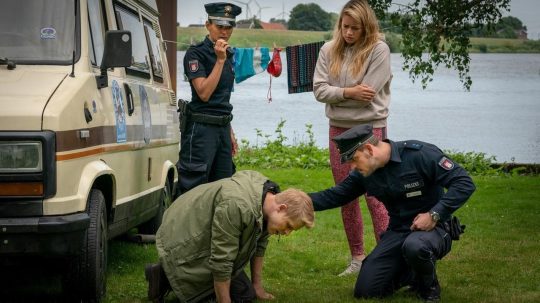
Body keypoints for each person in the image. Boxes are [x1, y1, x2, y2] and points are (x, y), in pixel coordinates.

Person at [309, 124, 476, 302]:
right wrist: (290, 201)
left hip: (434, 228)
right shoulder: (364, 174)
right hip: (398, 231)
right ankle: (412, 272)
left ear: (368, 150)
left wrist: (434, 214)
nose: (352, 167)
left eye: (354, 159)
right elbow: (334, 196)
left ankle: (429, 288)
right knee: (366, 290)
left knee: (416, 246)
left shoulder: (419, 155)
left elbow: (464, 183)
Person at [145, 170, 315, 303]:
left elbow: (260, 243)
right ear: (282, 208)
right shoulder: (238, 205)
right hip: (182, 236)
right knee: (221, 290)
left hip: (202, 230)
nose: (287, 232)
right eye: (288, 226)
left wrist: (257, 287)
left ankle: (178, 277)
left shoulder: (267, 200)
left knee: (245, 294)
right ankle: (162, 274)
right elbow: (222, 260)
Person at [312, 0, 392, 276]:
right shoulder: (327, 49)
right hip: (337, 130)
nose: (348, 33)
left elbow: (367, 96)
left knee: (375, 194)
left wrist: (340, 95)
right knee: (345, 195)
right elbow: (319, 90)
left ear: (366, 27)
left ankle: (386, 256)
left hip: (371, 130)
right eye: (344, 27)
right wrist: (349, 93)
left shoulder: (379, 50)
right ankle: (357, 258)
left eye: (354, 28)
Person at [177, 2, 242, 194]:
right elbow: (204, 94)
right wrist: (219, 61)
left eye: (229, 27)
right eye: (219, 26)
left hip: (221, 128)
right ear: (208, 25)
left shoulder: (229, 54)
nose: (224, 31)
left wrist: (228, 130)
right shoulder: (195, 53)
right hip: (201, 130)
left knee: (223, 187)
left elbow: (223, 99)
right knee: (195, 188)